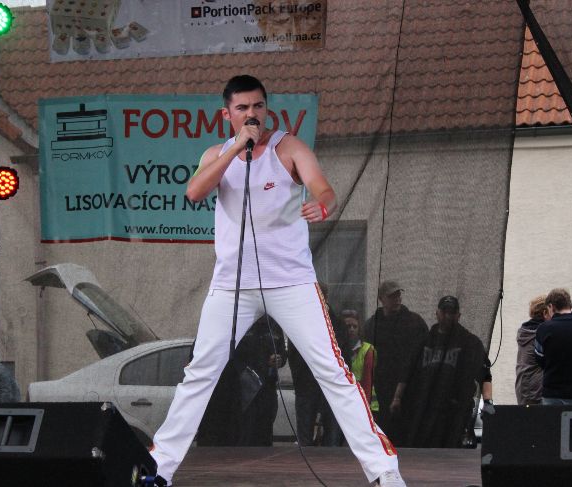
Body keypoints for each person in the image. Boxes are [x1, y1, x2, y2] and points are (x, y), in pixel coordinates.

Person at [149, 75, 404, 487]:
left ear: (267, 108)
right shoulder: (217, 154)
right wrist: (236, 148)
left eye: (258, 106)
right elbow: (195, 192)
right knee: (200, 373)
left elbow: (324, 189)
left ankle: (385, 471)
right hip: (232, 285)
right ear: (227, 114)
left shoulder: (289, 147)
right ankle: (158, 470)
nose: (252, 114)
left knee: (333, 371)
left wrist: (322, 205)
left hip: (291, 282)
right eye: (242, 108)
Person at [397, 296, 492, 448]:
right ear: (437, 313)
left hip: (454, 414)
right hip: (424, 411)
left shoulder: (470, 343)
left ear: (458, 315)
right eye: (444, 312)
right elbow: (406, 373)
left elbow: (485, 375)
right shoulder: (424, 340)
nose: (448, 316)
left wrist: (488, 404)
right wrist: (397, 397)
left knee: (450, 454)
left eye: (452, 312)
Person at [197, 315, 287, 446]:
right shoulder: (244, 321)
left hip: (267, 388)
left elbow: (283, 354)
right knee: (245, 433)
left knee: (264, 431)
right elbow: (236, 356)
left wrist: (279, 359)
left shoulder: (275, 325)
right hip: (245, 389)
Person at [362, 280, 428, 446]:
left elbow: (424, 355)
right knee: (383, 434)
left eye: (398, 294)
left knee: (407, 433)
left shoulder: (415, 322)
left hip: (410, 390)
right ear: (381, 299)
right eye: (392, 296)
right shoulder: (372, 325)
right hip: (381, 390)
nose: (397, 298)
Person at [289, 283, 349, 447]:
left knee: (332, 435)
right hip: (307, 387)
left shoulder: (338, 324)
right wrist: (300, 382)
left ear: (325, 297)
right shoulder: (300, 323)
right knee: (305, 436)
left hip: (331, 387)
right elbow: (294, 355)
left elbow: (344, 356)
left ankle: (330, 460)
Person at [515, 295, 548, 405]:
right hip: (536, 388)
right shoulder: (542, 333)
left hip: (522, 384)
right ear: (545, 312)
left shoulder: (524, 330)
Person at [344, 309, 379, 415]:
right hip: (346, 403)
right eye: (348, 326)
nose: (351, 329)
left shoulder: (367, 350)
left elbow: (368, 381)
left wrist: (365, 409)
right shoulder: (337, 349)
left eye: (355, 326)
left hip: (366, 405)